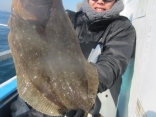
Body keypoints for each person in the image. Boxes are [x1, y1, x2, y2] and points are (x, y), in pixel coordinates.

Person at [11, 0, 136, 117]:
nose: (100, 1)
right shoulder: (70, 19)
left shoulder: (122, 28)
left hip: (87, 100)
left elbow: (111, 65)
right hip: (50, 91)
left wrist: (81, 94)